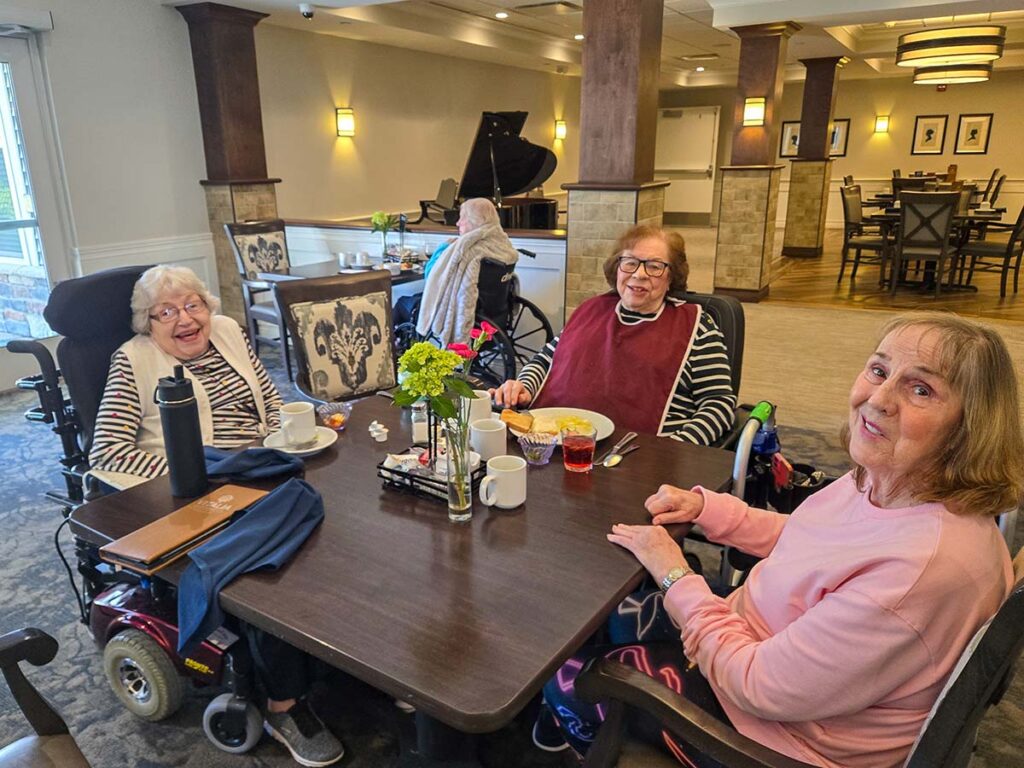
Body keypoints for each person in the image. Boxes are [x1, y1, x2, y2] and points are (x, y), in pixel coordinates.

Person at [538, 312, 1022, 768]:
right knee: (603, 618)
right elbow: (815, 543)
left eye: (921, 389)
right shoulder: (887, 482)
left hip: (778, 736)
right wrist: (710, 510)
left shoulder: (922, 570)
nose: (878, 399)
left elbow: (757, 684)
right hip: (765, 644)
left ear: (969, 428)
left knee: (570, 677)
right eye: (879, 370)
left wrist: (675, 574)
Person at [90, 265, 344, 767]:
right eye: (166, 312)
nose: (184, 320)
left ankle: (345, 654)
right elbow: (108, 453)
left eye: (193, 305)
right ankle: (282, 704)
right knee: (267, 578)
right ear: (148, 323)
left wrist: (280, 438)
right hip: (191, 495)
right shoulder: (133, 361)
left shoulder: (228, 331)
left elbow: (269, 402)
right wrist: (197, 473)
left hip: (262, 470)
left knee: (336, 534)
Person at [491, 225, 736, 446]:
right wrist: (524, 386)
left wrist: (676, 448)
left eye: (654, 266)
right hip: (551, 445)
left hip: (640, 461)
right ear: (617, 268)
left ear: (672, 277)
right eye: (630, 262)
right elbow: (546, 360)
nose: (639, 274)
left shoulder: (696, 326)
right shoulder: (590, 309)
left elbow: (719, 404)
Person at [395, 197, 518, 346]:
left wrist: (442, 249)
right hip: (493, 313)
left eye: (462, 218)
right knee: (415, 297)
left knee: (402, 303)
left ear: (474, 221)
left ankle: (392, 349)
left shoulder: (465, 249)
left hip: (460, 310)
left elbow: (433, 277)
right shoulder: (502, 246)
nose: (458, 223)